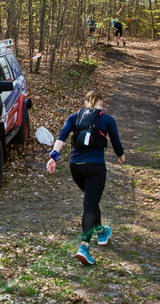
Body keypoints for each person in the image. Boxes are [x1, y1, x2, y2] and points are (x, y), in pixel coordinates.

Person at [46, 90, 126, 265]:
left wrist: (53, 157)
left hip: (76, 168)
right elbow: (116, 143)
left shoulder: (74, 117)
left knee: (91, 201)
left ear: (85, 103)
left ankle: (101, 231)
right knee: (90, 204)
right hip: (95, 167)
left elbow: (62, 136)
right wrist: (121, 156)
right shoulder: (106, 119)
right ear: (100, 103)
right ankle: (84, 247)